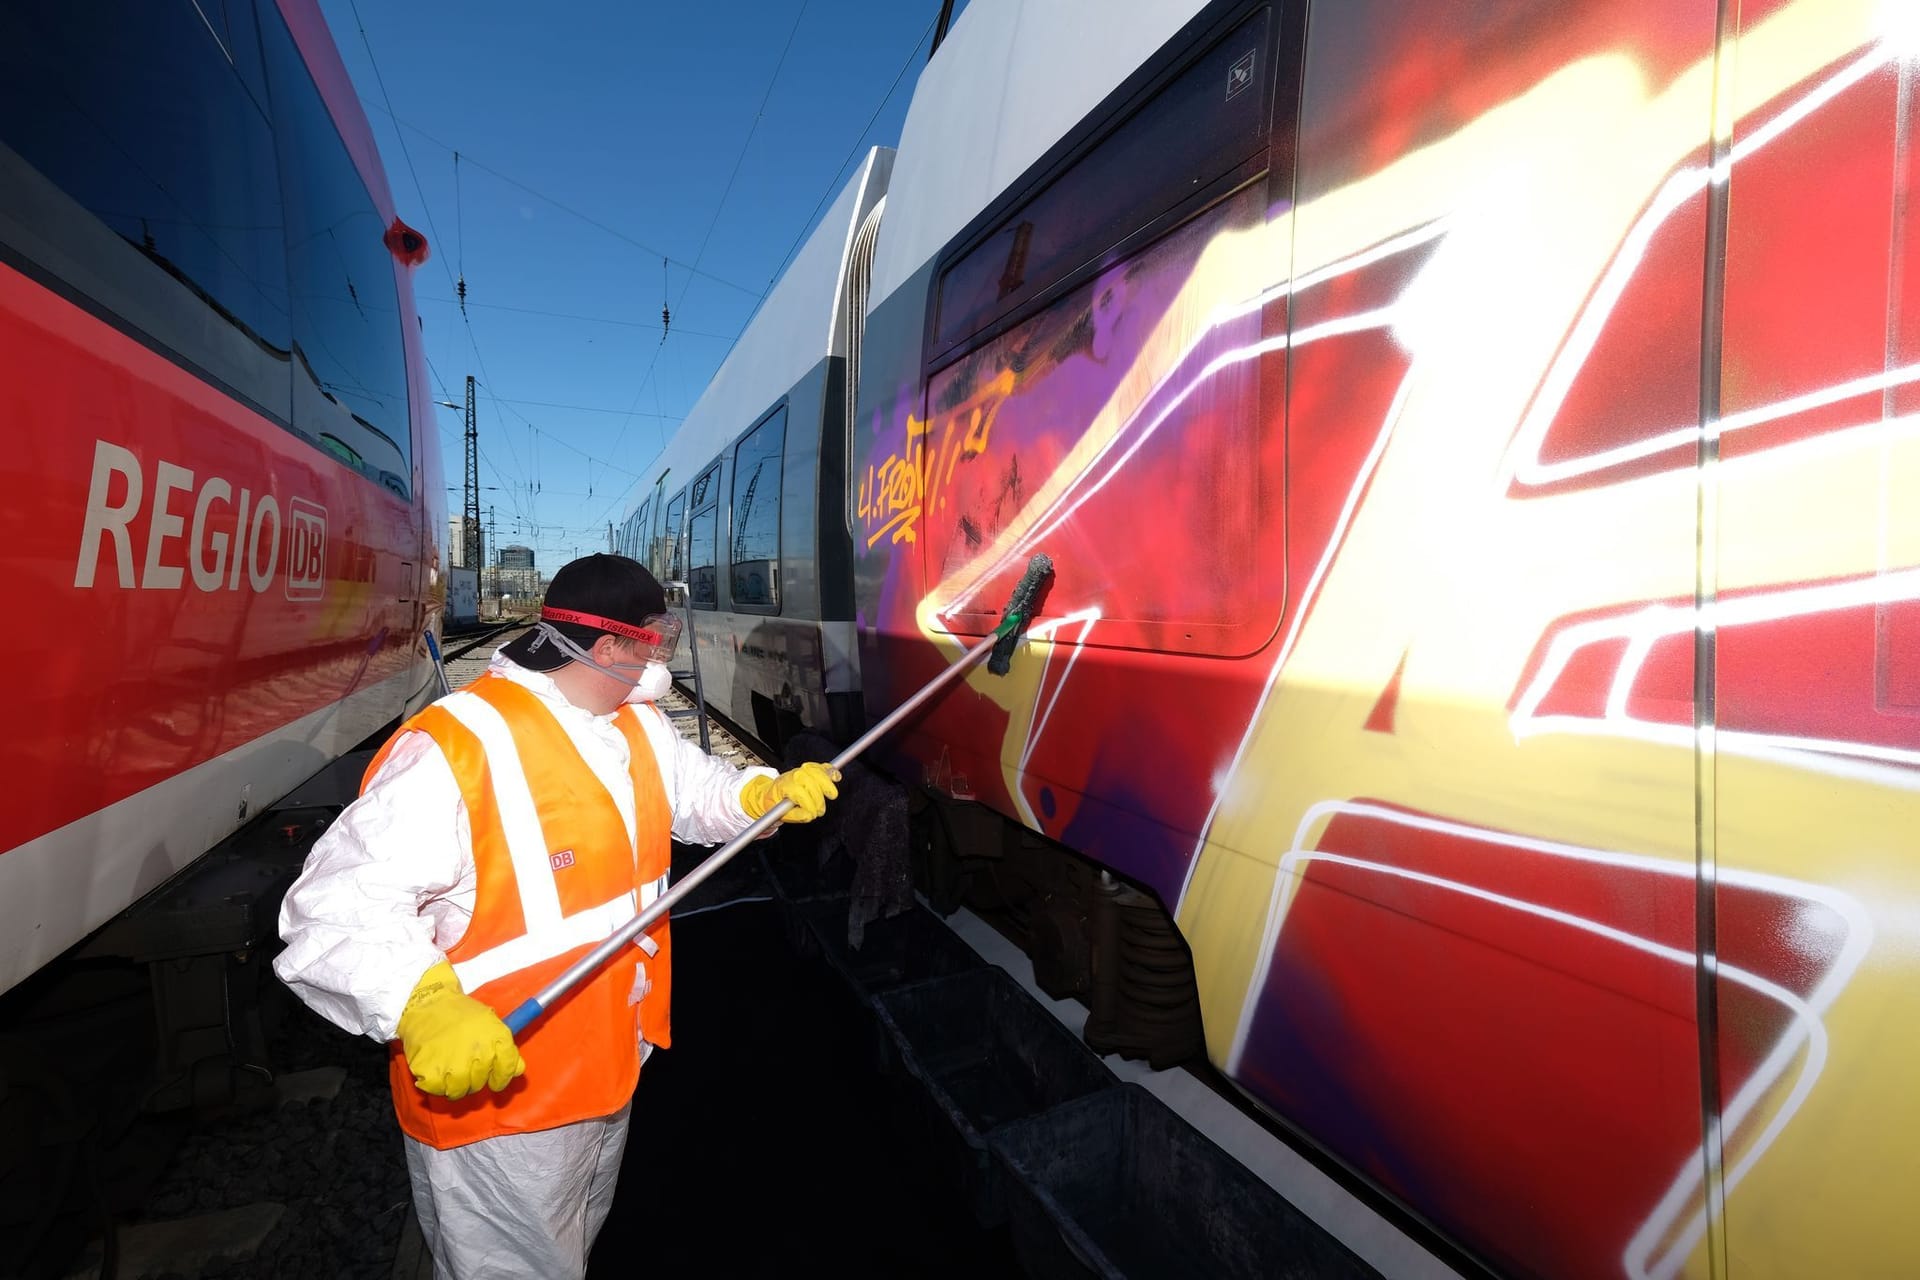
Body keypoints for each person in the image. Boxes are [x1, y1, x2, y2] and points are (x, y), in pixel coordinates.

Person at [273, 553, 839, 1279]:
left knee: (569, 1249)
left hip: (605, 1068)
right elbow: (331, 906)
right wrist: (420, 1001)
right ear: (606, 647)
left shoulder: (632, 724)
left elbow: (699, 793)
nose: (657, 661)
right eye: (651, 643)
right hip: (500, 1099)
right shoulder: (460, 746)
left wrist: (762, 797)